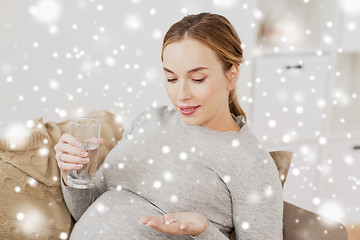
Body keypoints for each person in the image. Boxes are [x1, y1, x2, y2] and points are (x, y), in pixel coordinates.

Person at [55, 12, 283, 239]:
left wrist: (204, 231)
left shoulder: (251, 163)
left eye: (197, 79)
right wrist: (74, 173)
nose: (181, 95)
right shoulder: (150, 120)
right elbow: (87, 210)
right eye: (172, 79)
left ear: (232, 75)